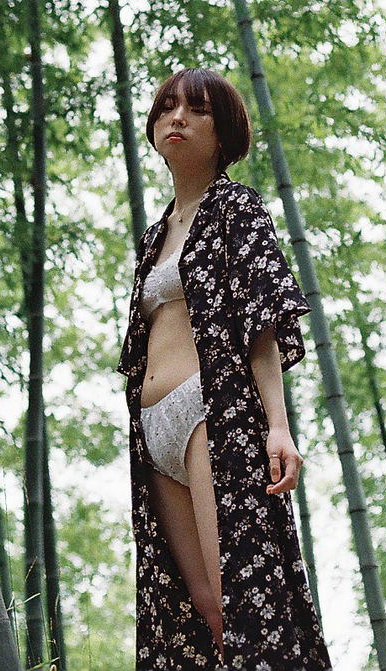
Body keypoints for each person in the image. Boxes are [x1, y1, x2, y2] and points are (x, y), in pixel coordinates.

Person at [115, 68, 332, 670]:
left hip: (211, 415)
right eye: (166, 108)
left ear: (225, 130)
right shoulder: (154, 236)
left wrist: (278, 428)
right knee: (199, 610)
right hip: (152, 428)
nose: (176, 118)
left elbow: (261, 322)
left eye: (195, 109)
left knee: (243, 599)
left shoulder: (236, 207)